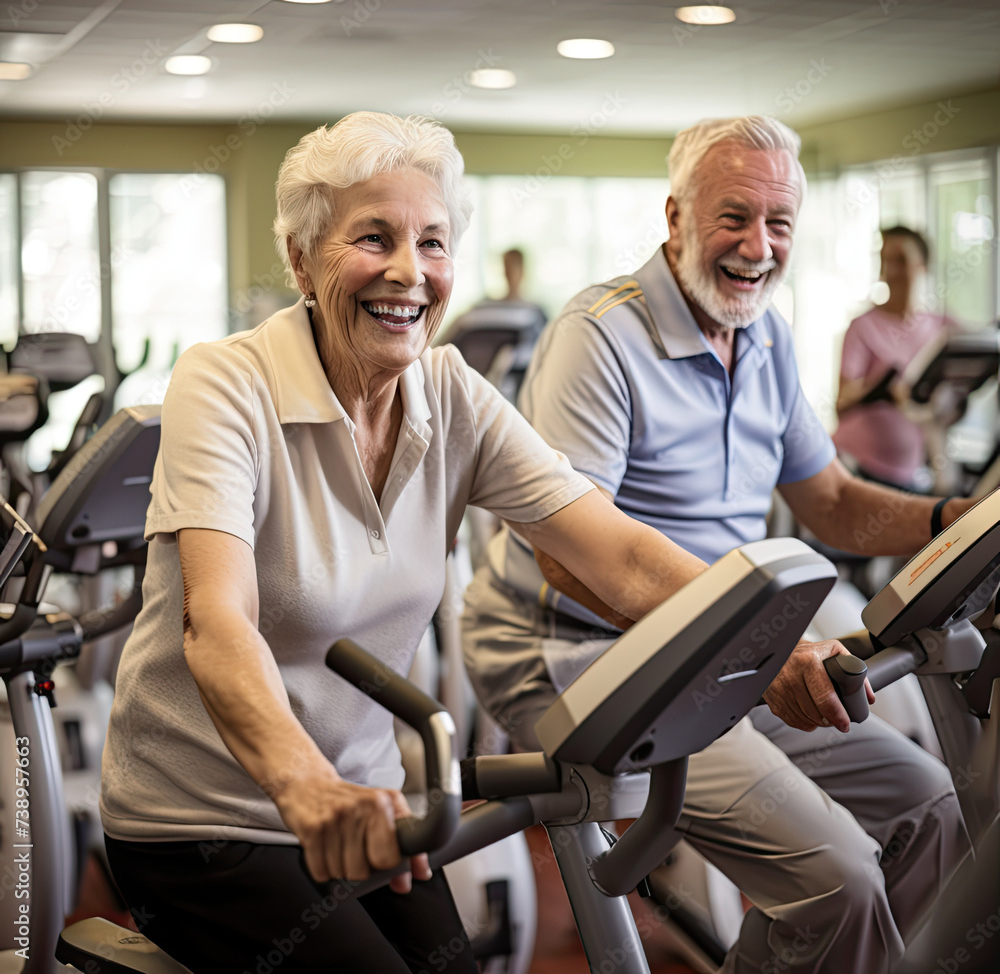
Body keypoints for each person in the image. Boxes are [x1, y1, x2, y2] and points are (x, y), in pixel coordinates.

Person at [97, 112, 717, 974]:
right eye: (374, 238)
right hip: (205, 822)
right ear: (301, 259)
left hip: (366, 802)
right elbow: (218, 622)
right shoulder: (225, 381)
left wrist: (771, 628)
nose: (409, 272)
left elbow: (616, 552)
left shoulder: (450, 390)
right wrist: (305, 790)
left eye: (432, 241)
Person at [462, 116, 973, 974]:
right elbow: (570, 556)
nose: (757, 245)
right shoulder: (599, 337)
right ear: (675, 218)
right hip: (575, 647)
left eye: (778, 223)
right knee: (839, 880)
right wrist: (745, 640)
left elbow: (834, 501)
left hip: (722, 645)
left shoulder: (766, 335)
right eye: (733, 216)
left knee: (932, 811)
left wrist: (946, 521)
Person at [833, 226, 956, 490]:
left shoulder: (942, 325)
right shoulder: (862, 326)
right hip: (858, 465)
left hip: (913, 472)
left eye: (901, 259)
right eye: (886, 260)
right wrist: (881, 388)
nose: (892, 269)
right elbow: (841, 401)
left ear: (922, 266)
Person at [437, 247, 547, 377]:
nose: (510, 272)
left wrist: (512, 356)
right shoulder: (479, 309)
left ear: (523, 270)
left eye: (514, 267)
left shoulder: (535, 314)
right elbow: (444, 343)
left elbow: (544, 353)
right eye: (507, 266)